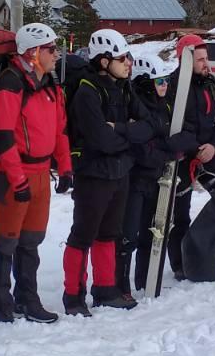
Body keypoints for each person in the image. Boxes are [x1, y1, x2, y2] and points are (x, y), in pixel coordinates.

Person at [62, 29, 153, 315]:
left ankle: (105, 289)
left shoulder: (125, 87)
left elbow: (149, 125)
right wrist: (128, 134)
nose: (129, 63)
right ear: (103, 61)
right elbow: (100, 138)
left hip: (119, 171)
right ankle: (73, 296)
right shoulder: (87, 91)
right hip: (94, 173)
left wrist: (122, 130)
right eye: (122, 58)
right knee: (83, 234)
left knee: (109, 233)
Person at [0, 22, 71, 324]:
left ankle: (27, 298)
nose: (56, 54)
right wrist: (16, 178)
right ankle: (1, 303)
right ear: (34, 52)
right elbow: (3, 137)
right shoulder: (9, 84)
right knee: (7, 239)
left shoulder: (50, 85)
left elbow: (60, 130)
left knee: (32, 239)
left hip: (40, 172)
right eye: (51, 48)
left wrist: (65, 167)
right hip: (15, 172)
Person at [120, 47, 191, 294]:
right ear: (146, 83)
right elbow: (143, 150)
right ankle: (122, 286)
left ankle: (144, 281)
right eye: (159, 81)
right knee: (129, 234)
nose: (164, 85)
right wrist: (169, 150)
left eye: (166, 80)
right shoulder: (135, 107)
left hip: (156, 180)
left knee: (152, 234)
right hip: (135, 180)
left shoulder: (165, 105)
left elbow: (185, 136)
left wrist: (169, 146)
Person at [166, 34, 215, 278]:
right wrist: (196, 148)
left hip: (210, 151)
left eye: (206, 58)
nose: (206, 64)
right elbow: (172, 127)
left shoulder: (211, 84)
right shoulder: (173, 87)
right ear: (186, 61)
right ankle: (180, 263)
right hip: (184, 156)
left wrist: (214, 146)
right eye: (200, 60)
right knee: (179, 213)